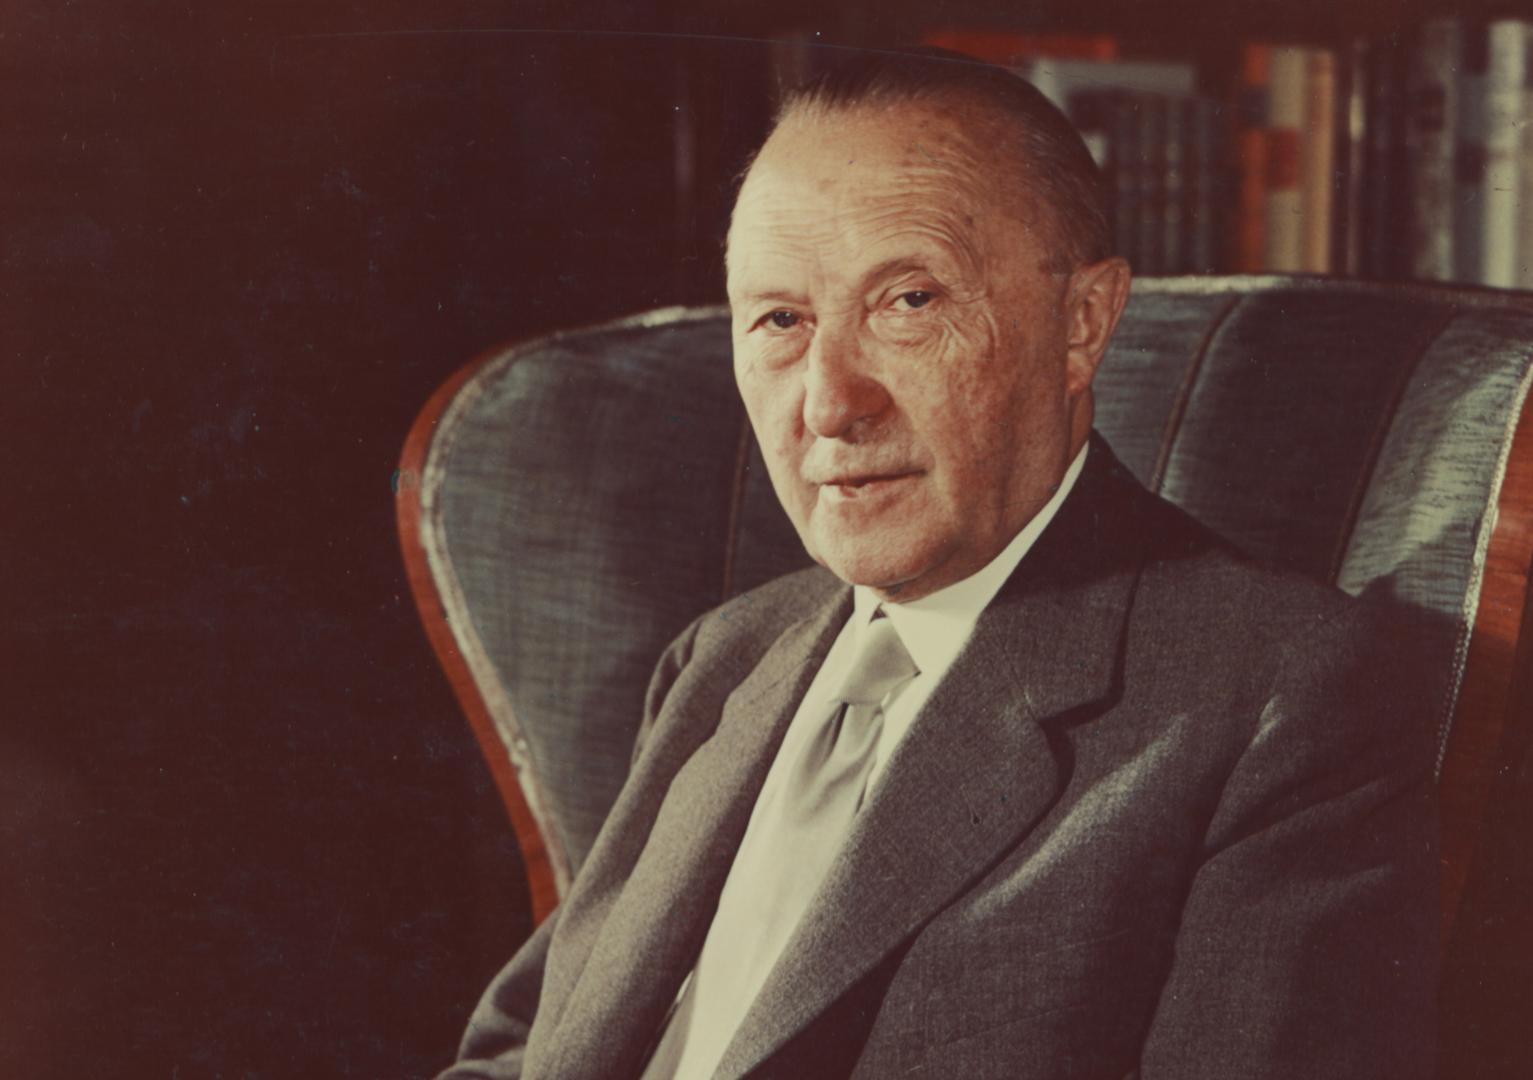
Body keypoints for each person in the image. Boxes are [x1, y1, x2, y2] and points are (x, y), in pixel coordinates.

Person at [439, 49, 1438, 1080]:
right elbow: (529, 1050)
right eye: (780, 320)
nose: (829, 403)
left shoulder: (1277, 697)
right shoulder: (724, 659)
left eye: (907, 301)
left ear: (1081, 324)